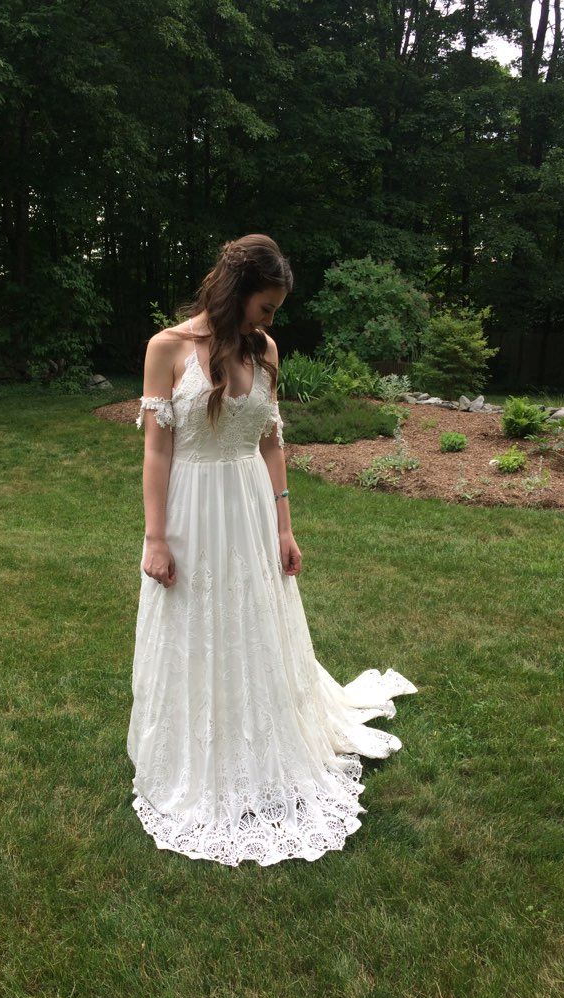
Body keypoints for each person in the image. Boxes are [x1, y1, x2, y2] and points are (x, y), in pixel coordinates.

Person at [128, 233, 417, 867]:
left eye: (275, 311)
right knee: (196, 623)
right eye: (266, 307)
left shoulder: (266, 352)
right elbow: (157, 450)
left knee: (252, 623)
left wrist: (284, 526)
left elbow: (270, 443)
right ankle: (198, 752)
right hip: (192, 512)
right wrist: (155, 538)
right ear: (236, 294)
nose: (271, 320)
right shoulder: (167, 349)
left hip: (251, 508)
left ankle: (261, 741)